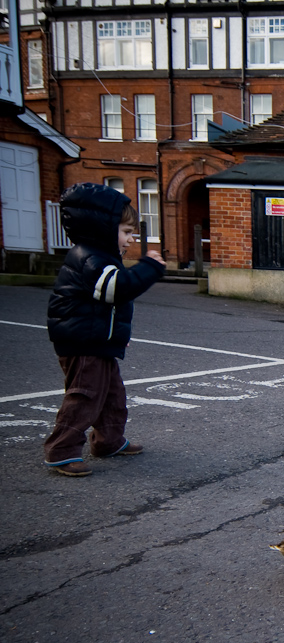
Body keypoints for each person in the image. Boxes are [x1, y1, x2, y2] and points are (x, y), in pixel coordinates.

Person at [43, 183, 166, 476]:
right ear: (102, 228)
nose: (130, 239)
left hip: (97, 341)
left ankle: (109, 440)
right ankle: (62, 449)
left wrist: (115, 339)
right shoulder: (90, 258)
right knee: (85, 395)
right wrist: (148, 267)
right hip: (82, 342)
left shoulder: (102, 258)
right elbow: (116, 290)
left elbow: (109, 307)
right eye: (126, 232)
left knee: (112, 395)